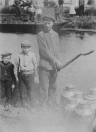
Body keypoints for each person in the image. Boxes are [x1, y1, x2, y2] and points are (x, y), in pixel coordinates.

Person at [37, 15, 62, 106]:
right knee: (43, 87)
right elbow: (44, 51)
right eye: (45, 23)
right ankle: (42, 106)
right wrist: (55, 60)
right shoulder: (41, 35)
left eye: (49, 23)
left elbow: (57, 50)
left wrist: (59, 62)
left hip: (54, 67)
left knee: (53, 86)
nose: (47, 25)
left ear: (53, 24)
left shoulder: (55, 34)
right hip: (44, 66)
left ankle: (51, 104)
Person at [14, 40, 38, 109]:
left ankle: (32, 106)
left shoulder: (32, 55)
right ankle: (23, 106)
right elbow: (16, 66)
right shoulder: (18, 55)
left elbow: (35, 64)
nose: (25, 49)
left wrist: (36, 75)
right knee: (22, 90)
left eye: (27, 48)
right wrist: (16, 77)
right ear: (21, 48)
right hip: (21, 75)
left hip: (30, 74)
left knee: (31, 90)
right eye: (23, 47)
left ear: (29, 48)